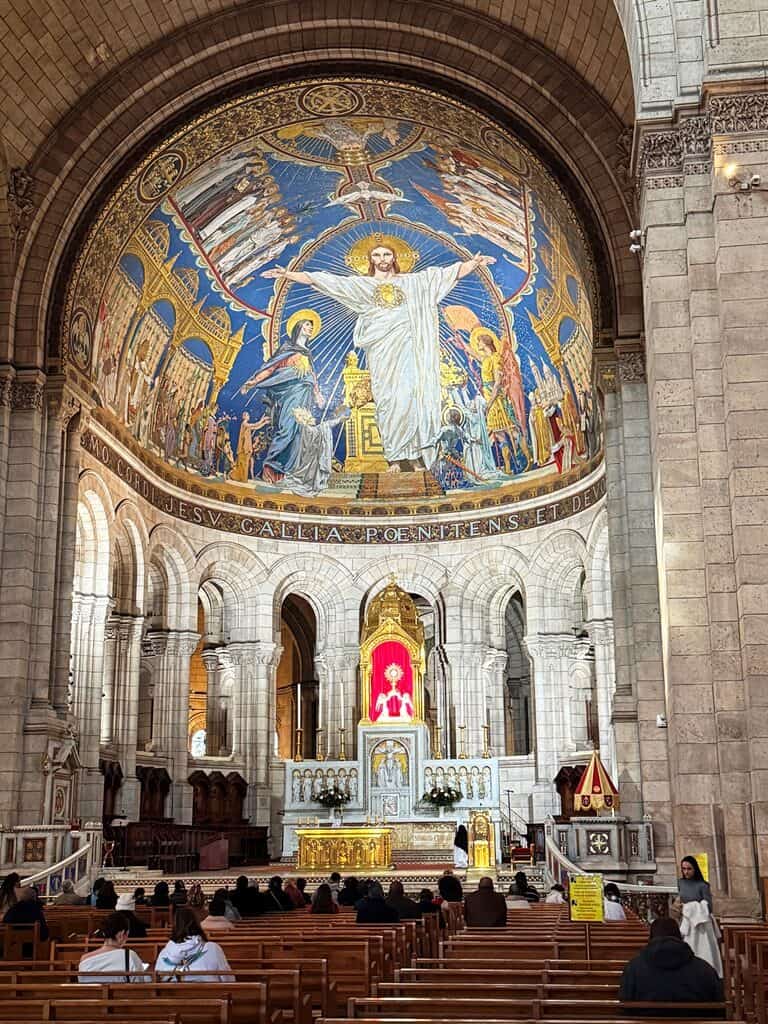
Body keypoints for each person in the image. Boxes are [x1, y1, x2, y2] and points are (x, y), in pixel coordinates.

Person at [263, 245, 495, 472]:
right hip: (382, 352)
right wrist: (287, 274)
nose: (382, 258)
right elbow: (327, 281)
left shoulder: (415, 283)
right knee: (388, 400)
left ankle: (414, 456)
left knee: (412, 398)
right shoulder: (364, 286)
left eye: (386, 254)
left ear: (394, 257)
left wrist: (473, 263)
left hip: (410, 349)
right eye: (377, 255)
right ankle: (394, 457)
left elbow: (447, 274)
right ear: (370, 259)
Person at [239, 314, 325, 485]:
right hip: (289, 394)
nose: (310, 328)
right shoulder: (287, 347)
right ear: (299, 327)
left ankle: (288, 473)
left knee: (299, 433)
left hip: (304, 396)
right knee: (287, 429)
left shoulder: (307, 353)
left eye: (311, 326)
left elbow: (312, 375)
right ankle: (271, 468)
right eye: (307, 325)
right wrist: (254, 381)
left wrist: (317, 394)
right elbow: (271, 368)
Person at [619, 917, 724, 1015]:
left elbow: (624, 1005)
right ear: (678, 935)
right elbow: (719, 1006)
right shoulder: (704, 969)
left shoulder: (633, 968)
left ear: (651, 937)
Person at [155, 907, 233, 982]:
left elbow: (157, 981)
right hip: (209, 995)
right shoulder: (213, 948)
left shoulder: (164, 953)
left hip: (172, 995)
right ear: (197, 923)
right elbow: (229, 979)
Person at [678, 856, 722, 976]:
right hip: (687, 921)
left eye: (689, 869)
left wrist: (691, 907)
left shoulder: (703, 885)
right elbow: (680, 900)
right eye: (683, 869)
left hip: (701, 923)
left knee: (703, 952)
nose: (686, 871)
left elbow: (708, 907)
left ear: (695, 869)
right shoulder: (680, 882)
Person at [78, 912, 149, 983]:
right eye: (127, 934)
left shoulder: (84, 959)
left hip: (92, 994)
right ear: (121, 934)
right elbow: (139, 984)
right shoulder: (129, 956)